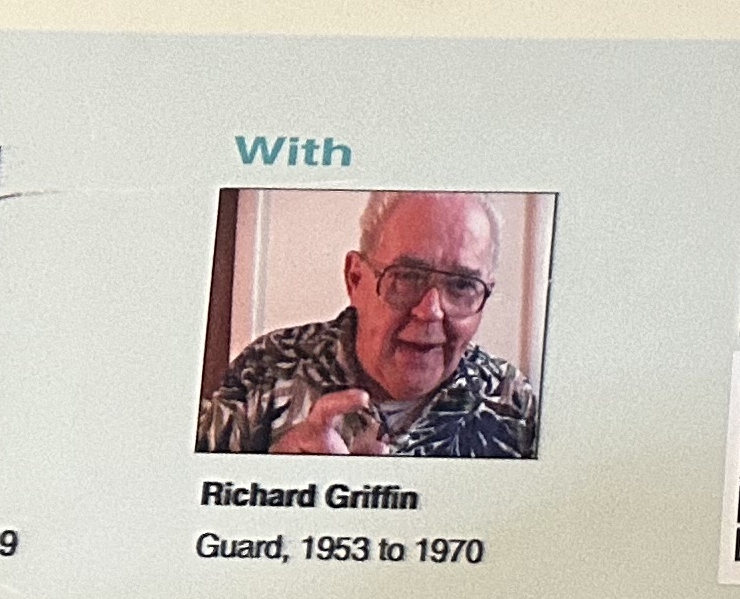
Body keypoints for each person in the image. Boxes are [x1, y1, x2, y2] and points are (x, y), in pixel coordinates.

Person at [197, 191, 542, 460]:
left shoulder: (512, 402)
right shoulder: (267, 368)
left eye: (462, 285)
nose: (431, 311)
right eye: (406, 277)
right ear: (356, 279)